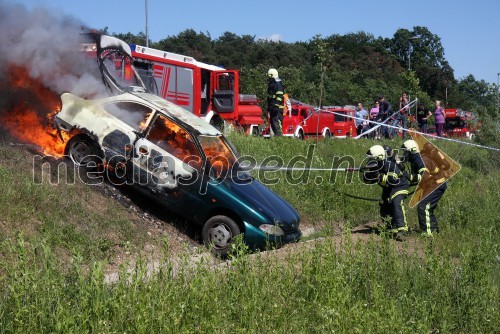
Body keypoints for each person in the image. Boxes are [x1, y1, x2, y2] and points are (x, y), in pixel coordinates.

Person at [363, 144, 409, 240]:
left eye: (373, 158)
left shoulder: (390, 165)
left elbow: (392, 180)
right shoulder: (377, 165)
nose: (371, 160)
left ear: (378, 157)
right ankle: (391, 228)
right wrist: (366, 173)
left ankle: (402, 230)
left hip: (399, 186)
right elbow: (368, 180)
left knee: (396, 203)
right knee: (384, 205)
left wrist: (379, 176)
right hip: (389, 189)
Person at [400, 140, 446, 236]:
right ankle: (434, 229)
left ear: (411, 151)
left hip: (437, 185)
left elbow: (423, 177)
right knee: (428, 207)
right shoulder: (416, 159)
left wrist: (408, 176)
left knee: (423, 206)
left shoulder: (422, 160)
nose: (404, 154)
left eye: (405, 152)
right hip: (434, 184)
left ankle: (428, 233)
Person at [266, 68, 285, 136]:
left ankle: (279, 137)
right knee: (273, 123)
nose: (269, 78)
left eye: (270, 77)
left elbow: (279, 96)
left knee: (277, 124)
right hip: (273, 108)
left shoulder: (278, 84)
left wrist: (276, 105)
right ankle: (277, 136)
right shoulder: (272, 84)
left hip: (277, 108)